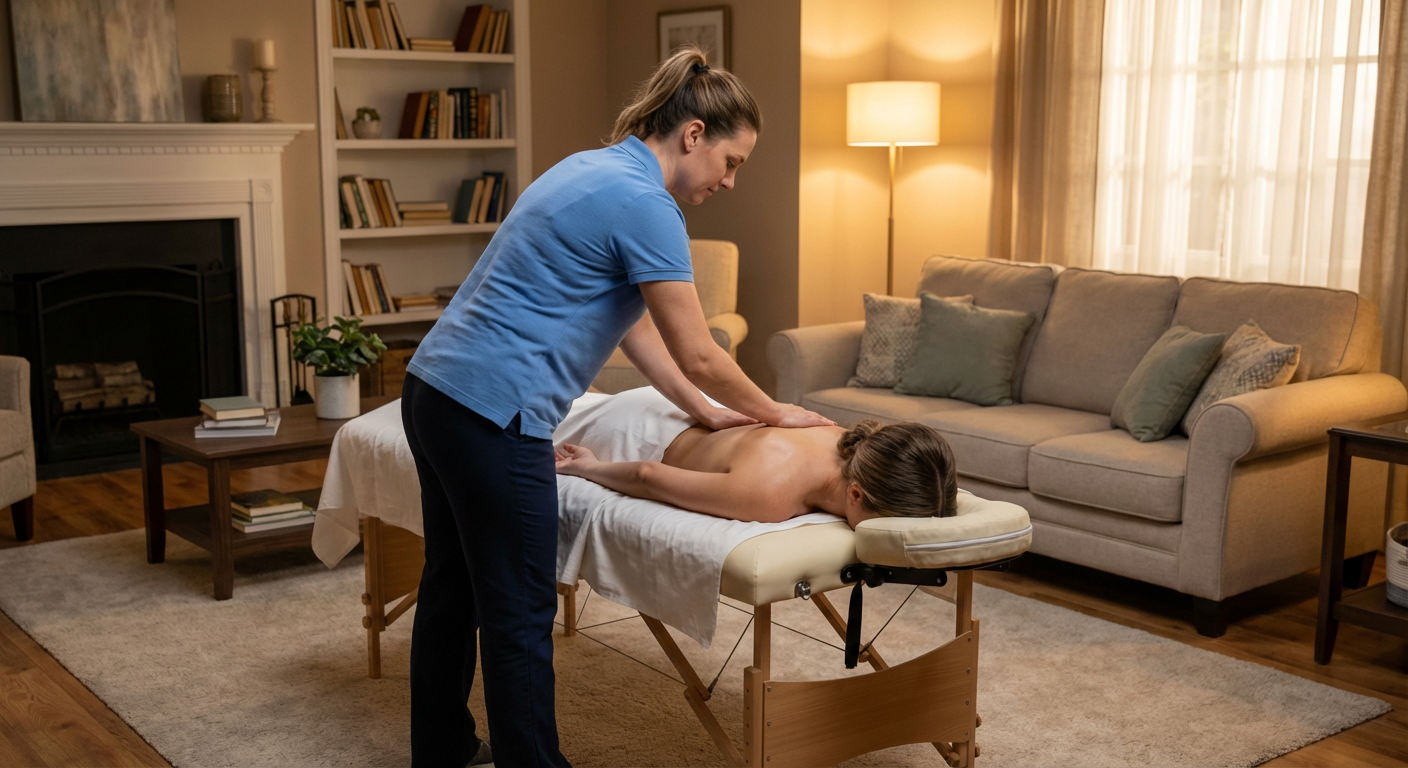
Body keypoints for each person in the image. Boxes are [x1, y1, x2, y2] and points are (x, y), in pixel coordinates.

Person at [399, 45, 833, 767]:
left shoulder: (592, 168)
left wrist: (705, 408)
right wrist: (778, 411)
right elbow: (699, 348)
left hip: (434, 393)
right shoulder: (646, 205)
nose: (730, 182)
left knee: (453, 588)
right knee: (519, 612)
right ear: (693, 135)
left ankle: (440, 752)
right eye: (732, 162)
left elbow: (635, 328)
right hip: (492, 417)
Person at [552, 386, 959, 527]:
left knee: (577, 401)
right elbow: (646, 475)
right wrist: (587, 466)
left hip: (680, 408)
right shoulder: (771, 494)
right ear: (855, 495)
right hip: (637, 434)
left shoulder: (839, 435)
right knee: (532, 415)